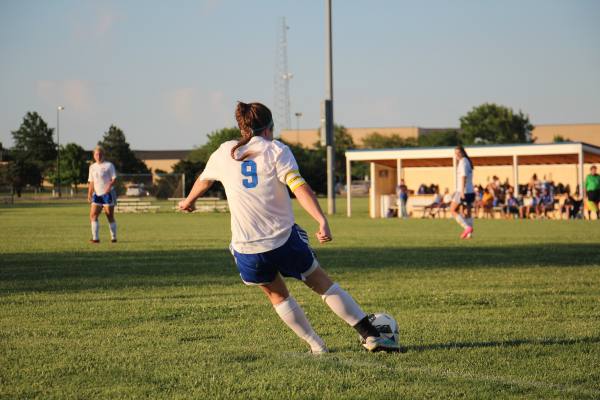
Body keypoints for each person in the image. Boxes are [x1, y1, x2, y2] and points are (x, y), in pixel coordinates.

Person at [178, 102, 398, 354]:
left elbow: (204, 180)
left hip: (247, 248)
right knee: (321, 283)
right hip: (282, 239)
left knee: (278, 296)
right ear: (270, 128)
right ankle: (371, 335)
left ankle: (316, 346)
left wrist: (188, 201)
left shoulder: (224, 151)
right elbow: (299, 187)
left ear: (242, 127)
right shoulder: (276, 150)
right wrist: (321, 219)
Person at [87, 146, 117, 243]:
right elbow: (91, 182)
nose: (98, 156)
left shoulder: (109, 165)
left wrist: (109, 186)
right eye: (96, 154)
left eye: (100, 154)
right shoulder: (92, 167)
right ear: (94, 156)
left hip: (108, 194)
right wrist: (89, 193)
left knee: (109, 216)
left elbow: (114, 179)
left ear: (103, 154)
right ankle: (95, 238)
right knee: (93, 215)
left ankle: (113, 237)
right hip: (97, 195)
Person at [450, 145, 475, 239]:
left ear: (463, 152)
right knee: (466, 213)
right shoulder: (467, 161)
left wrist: (461, 191)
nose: (457, 155)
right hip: (470, 191)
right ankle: (469, 234)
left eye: (458, 153)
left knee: (452, 210)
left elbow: (463, 176)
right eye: (455, 153)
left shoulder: (463, 162)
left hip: (463, 191)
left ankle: (467, 228)